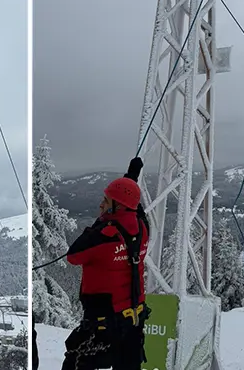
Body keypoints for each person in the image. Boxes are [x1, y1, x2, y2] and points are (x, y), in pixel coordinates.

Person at [62, 157, 149, 370]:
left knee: (75, 362)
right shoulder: (142, 227)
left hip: (103, 323)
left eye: (106, 201)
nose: (101, 204)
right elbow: (134, 208)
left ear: (115, 207)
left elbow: (73, 255)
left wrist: (101, 222)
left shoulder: (103, 236)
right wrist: (131, 178)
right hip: (133, 320)